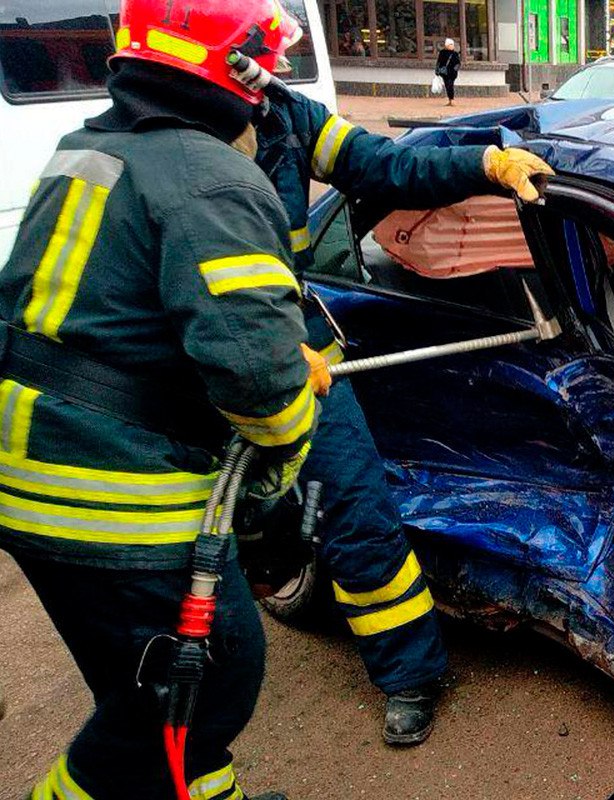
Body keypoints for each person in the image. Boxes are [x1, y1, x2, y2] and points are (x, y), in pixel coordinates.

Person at [0, 2, 319, 797]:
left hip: (34, 470)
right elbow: (261, 382)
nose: (269, 85)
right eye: (263, 64)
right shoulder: (210, 177)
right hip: (110, 494)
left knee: (152, 690)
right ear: (235, 65)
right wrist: (277, 488)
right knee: (203, 695)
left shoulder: (91, 147)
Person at [241, 7, 552, 747]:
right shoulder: (153, 159)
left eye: (267, 57)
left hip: (302, 356)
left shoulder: (286, 117)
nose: (269, 70)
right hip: (207, 363)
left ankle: (409, 675)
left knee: (355, 511)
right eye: (253, 56)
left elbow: (387, 165)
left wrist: (484, 162)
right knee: (218, 528)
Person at [436, 38, 461, 106]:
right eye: (450, 44)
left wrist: (455, 70)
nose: (452, 46)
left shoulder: (455, 53)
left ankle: (452, 99)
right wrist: (437, 70)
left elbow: (458, 63)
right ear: (446, 45)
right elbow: (439, 62)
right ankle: (450, 100)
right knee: (447, 86)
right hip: (444, 72)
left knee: (450, 85)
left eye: (452, 44)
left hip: (452, 73)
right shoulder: (442, 53)